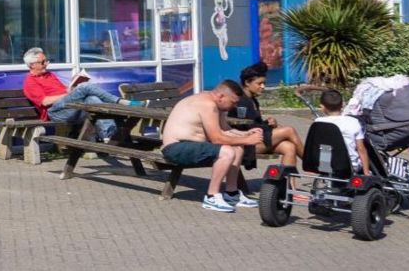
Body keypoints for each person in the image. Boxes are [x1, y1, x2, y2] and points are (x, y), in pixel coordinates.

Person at [160, 79, 264, 213]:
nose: (235, 106)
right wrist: (248, 140)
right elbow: (216, 139)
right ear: (221, 96)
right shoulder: (208, 105)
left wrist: (245, 134)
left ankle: (232, 194)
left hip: (191, 145)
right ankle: (211, 197)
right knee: (227, 152)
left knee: (238, 147)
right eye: (233, 102)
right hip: (175, 148)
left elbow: (225, 130)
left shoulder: (216, 104)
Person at [19, 47, 142, 140]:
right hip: (55, 112)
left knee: (92, 99)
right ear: (32, 65)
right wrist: (70, 93)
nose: (47, 63)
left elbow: (64, 91)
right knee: (85, 87)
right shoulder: (30, 82)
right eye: (43, 62)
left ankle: (108, 135)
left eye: (46, 61)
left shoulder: (49, 75)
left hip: (69, 107)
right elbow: (45, 101)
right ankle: (121, 102)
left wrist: (71, 88)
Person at [234, 62, 303, 168]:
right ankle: (310, 163)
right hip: (247, 143)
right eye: (259, 83)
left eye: (264, 83)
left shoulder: (252, 100)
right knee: (289, 130)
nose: (263, 87)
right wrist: (268, 126)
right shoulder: (241, 101)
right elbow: (245, 125)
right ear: (247, 82)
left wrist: (268, 123)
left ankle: (288, 184)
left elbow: (254, 122)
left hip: (256, 139)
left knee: (289, 147)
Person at [315, 88, 369, 176]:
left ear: (322, 107)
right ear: (343, 105)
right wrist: (366, 172)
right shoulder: (353, 122)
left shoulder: (318, 122)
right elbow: (361, 149)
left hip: (325, 165)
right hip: (349, 166)